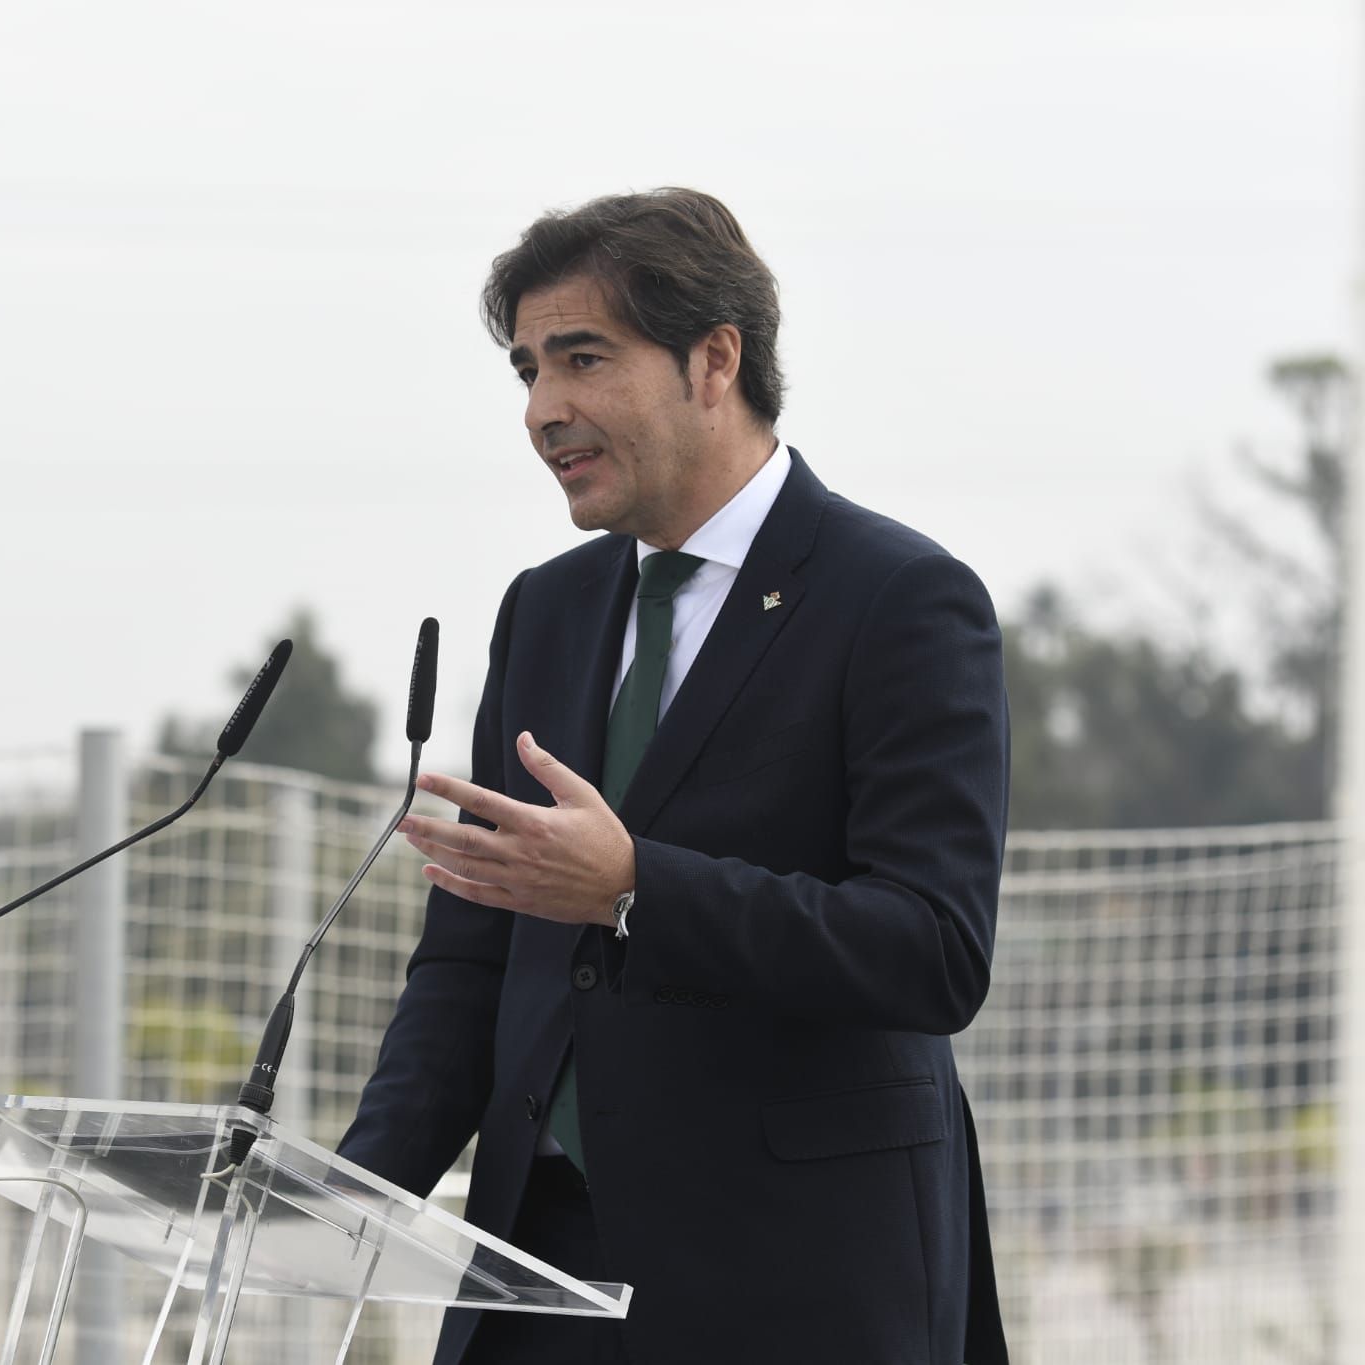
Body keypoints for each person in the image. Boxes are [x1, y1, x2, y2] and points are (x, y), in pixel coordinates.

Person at [336, 189, 1009, 1365]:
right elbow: (471, 953)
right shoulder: (545, 610)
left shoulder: (898, 599)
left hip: (793, 1278)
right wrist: (348, 1198)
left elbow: (930, 949)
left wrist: (634, 886)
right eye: (526, 370)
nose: (545, 410)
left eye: (582, 359)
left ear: (713, 360)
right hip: (534, 1272)